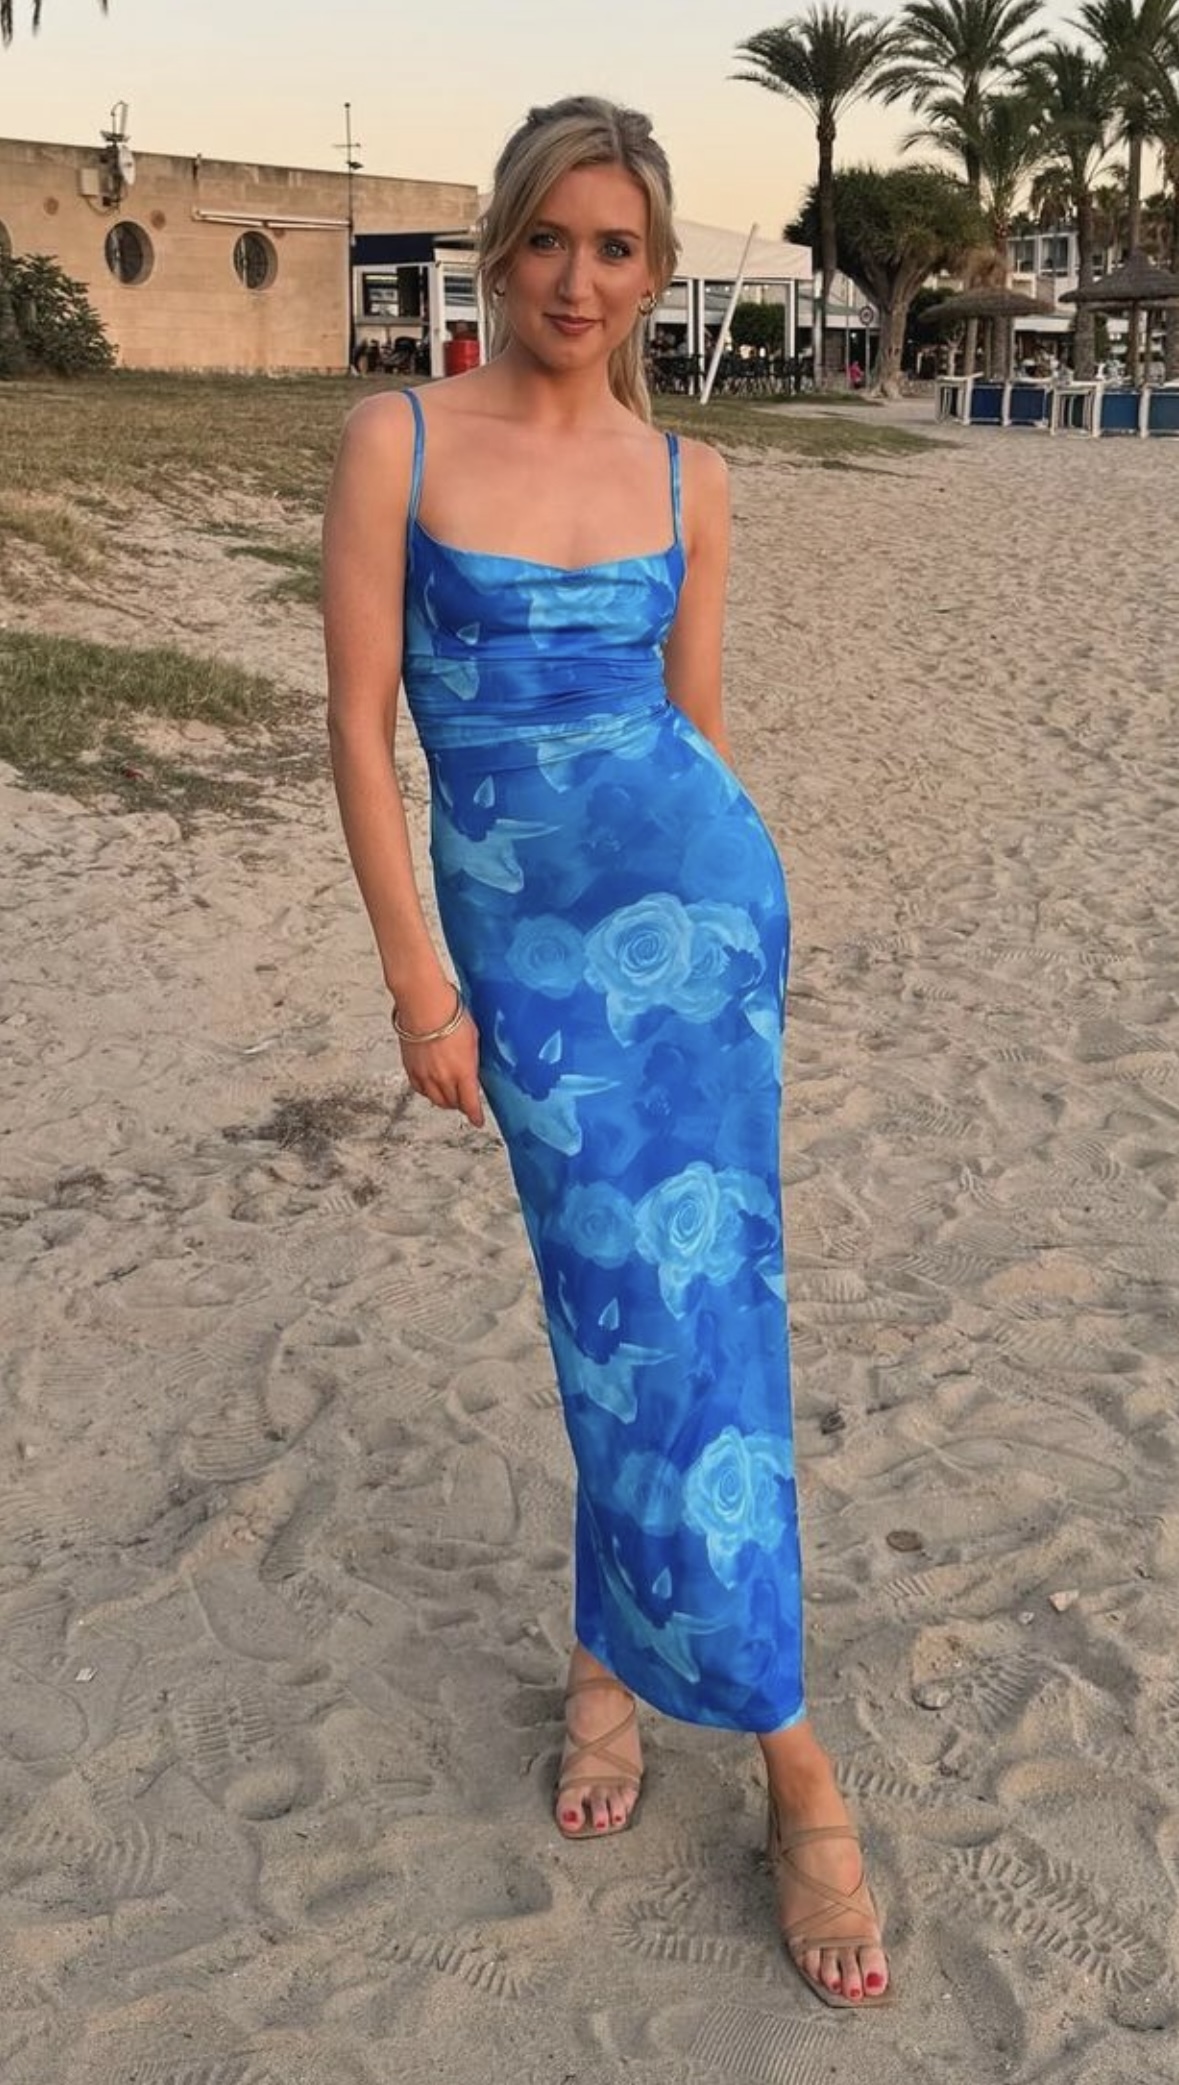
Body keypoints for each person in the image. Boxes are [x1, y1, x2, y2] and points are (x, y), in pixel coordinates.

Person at [321, 93, 890, 2012]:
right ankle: (668, 1682)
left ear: (653, 275)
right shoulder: (398, 440)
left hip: (703, 945)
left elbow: (695, 735)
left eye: (618, 248)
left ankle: (776, 1748)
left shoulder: (690, 479)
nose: (580, 279)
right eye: (552, 239)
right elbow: (361, 727)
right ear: (503, 246)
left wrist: (742, 914)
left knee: (695, 1318)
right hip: (529, 972)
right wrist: (420, 982)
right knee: (625, 1314)